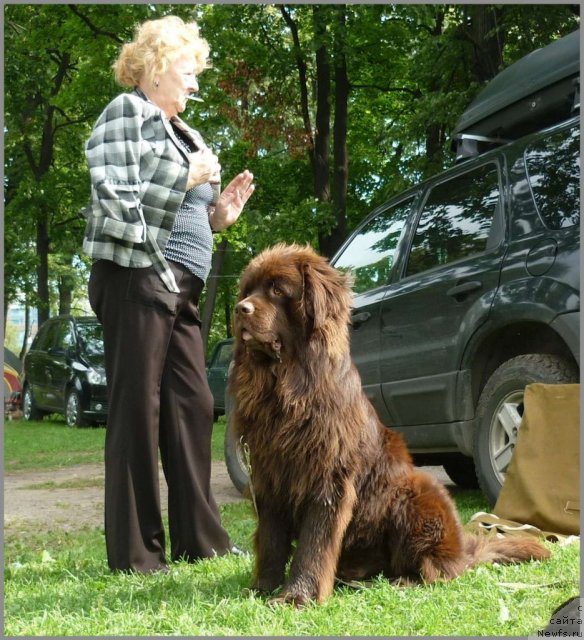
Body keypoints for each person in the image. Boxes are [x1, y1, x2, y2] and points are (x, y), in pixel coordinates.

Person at [82, 15, 254, 574]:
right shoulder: (127, 112)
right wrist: (186, 179)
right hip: (136, 275)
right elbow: (115, 197)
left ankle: (200, 540)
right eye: (189, 72)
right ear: (156, 69)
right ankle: (136, 556)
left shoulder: (182, 130)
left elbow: (187, 214)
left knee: (194, 403)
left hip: (180, 283)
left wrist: (219, 214)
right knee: (138, 408)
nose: (197, 84)